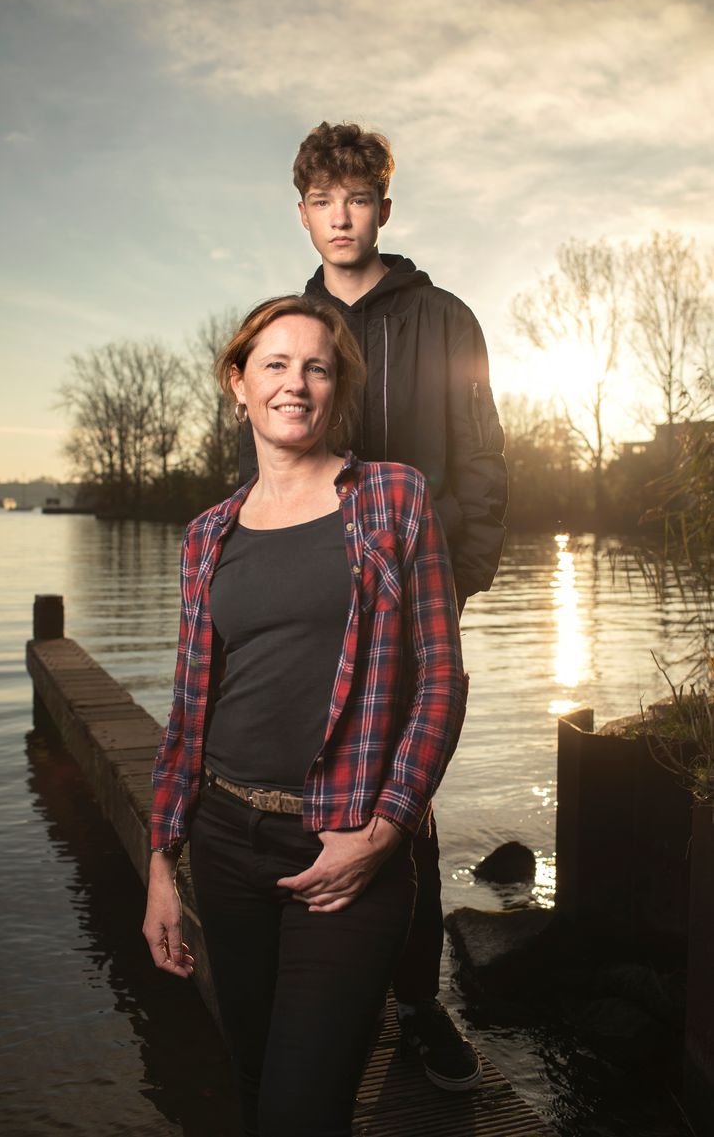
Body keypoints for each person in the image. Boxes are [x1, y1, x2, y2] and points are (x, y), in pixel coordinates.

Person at [143, 295, 467, 1137]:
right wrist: (161, 863)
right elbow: (188, 708)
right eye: (275, 365)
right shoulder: (206, 535)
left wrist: (386, 830)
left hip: (347, 845)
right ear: (238, 384)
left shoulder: (394, 497)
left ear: (336, 389)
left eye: (316, 367)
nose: (295, 383)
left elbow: (440, 680)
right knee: (254, 1086)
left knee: (303, 1109)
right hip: (225, 840)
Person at [239, 122, 507, 1093]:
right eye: (322, 200)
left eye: (356, 198)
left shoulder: (445, 317)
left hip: (416, 595)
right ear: (302, 212)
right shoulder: (286, 327)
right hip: (313, 598)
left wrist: (454, 576)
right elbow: (259, 460)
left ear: (383, 208)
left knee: (404, 802)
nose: (340, 216)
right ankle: (318, 992)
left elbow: (483, 457)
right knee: (311, 787)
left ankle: (416, 1002)